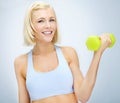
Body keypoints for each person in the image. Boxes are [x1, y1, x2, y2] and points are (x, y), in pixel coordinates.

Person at [14, 1, 112, 103]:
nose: (48, 25)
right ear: (30, 26)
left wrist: (97, 53)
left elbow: (83, 96)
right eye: (40, 21)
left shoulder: (69, 53)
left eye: (52, 20)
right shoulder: (20, 63)